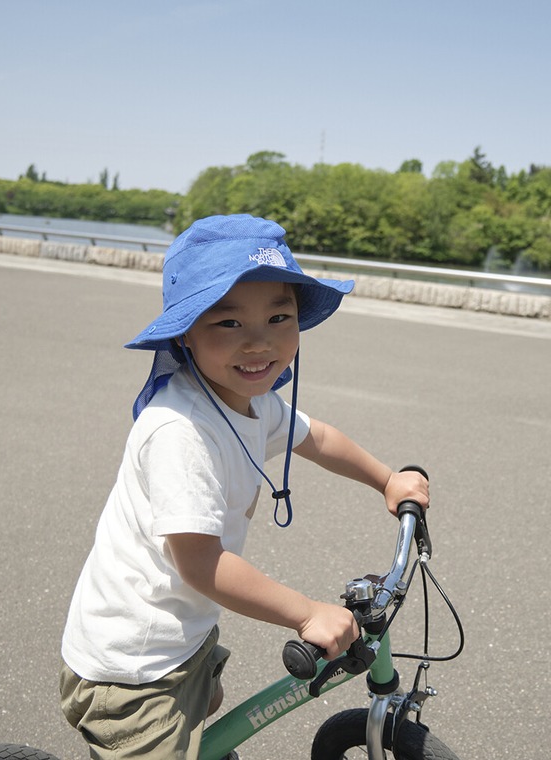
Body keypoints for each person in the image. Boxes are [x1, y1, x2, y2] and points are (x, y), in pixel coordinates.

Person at [59, 214, 429, 759]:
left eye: (279, 316)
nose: (259, 343)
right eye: (229, 324)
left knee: (211, 725)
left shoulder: (251, 402)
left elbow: (317, 437)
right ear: (185, 332)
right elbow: (201, 562)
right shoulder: (178, 431)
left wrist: (386, 480)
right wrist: (306, 612)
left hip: (183, 631)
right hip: (134, 665)